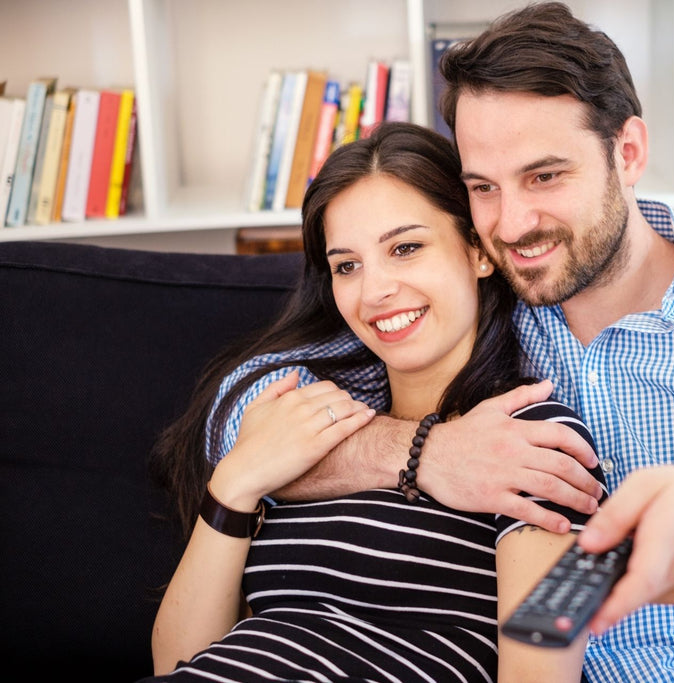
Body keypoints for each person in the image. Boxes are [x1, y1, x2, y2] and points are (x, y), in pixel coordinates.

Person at [207, 3, 674, 681]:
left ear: (628, 153)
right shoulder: (473, 300)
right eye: (483, 187)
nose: (513, 223)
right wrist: (423, 452)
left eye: (545, 176)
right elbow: (244, 412)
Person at [144, 121, 607, 682]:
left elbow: (542, 672)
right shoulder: (316, 435)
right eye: (347, 265)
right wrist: (235, 485)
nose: (374, 290)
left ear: (479, 253)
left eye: (406, 248)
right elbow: (179, 660)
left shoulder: (533, 438)